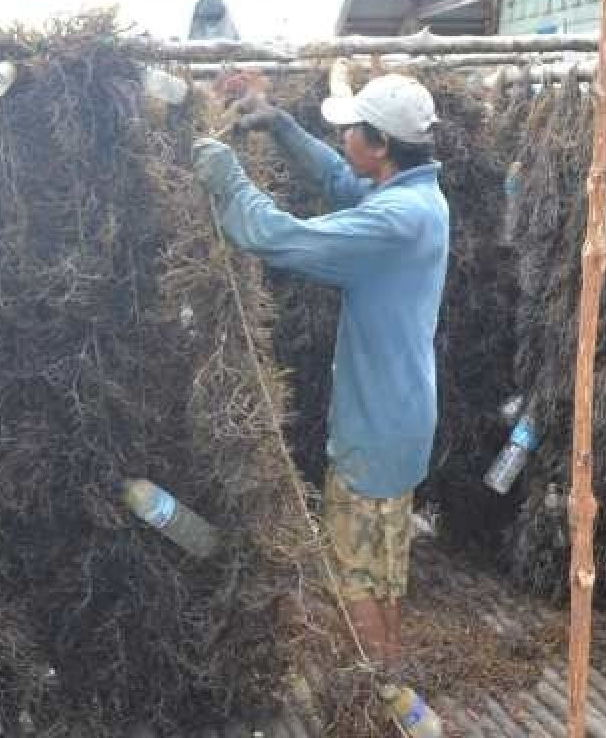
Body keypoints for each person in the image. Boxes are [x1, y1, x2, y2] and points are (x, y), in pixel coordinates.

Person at [191, 74, 450, 671]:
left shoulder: (393, 222)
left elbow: (282, 239)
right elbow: (340, 180)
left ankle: (372, 694)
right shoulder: (415, 198)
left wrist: (230, 181)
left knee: (355, 573)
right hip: (403, 413)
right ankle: (388, 671)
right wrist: (281, 127)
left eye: (351, 129)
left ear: (380, 144)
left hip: (375, 424)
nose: (343, 135)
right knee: (382, 564)